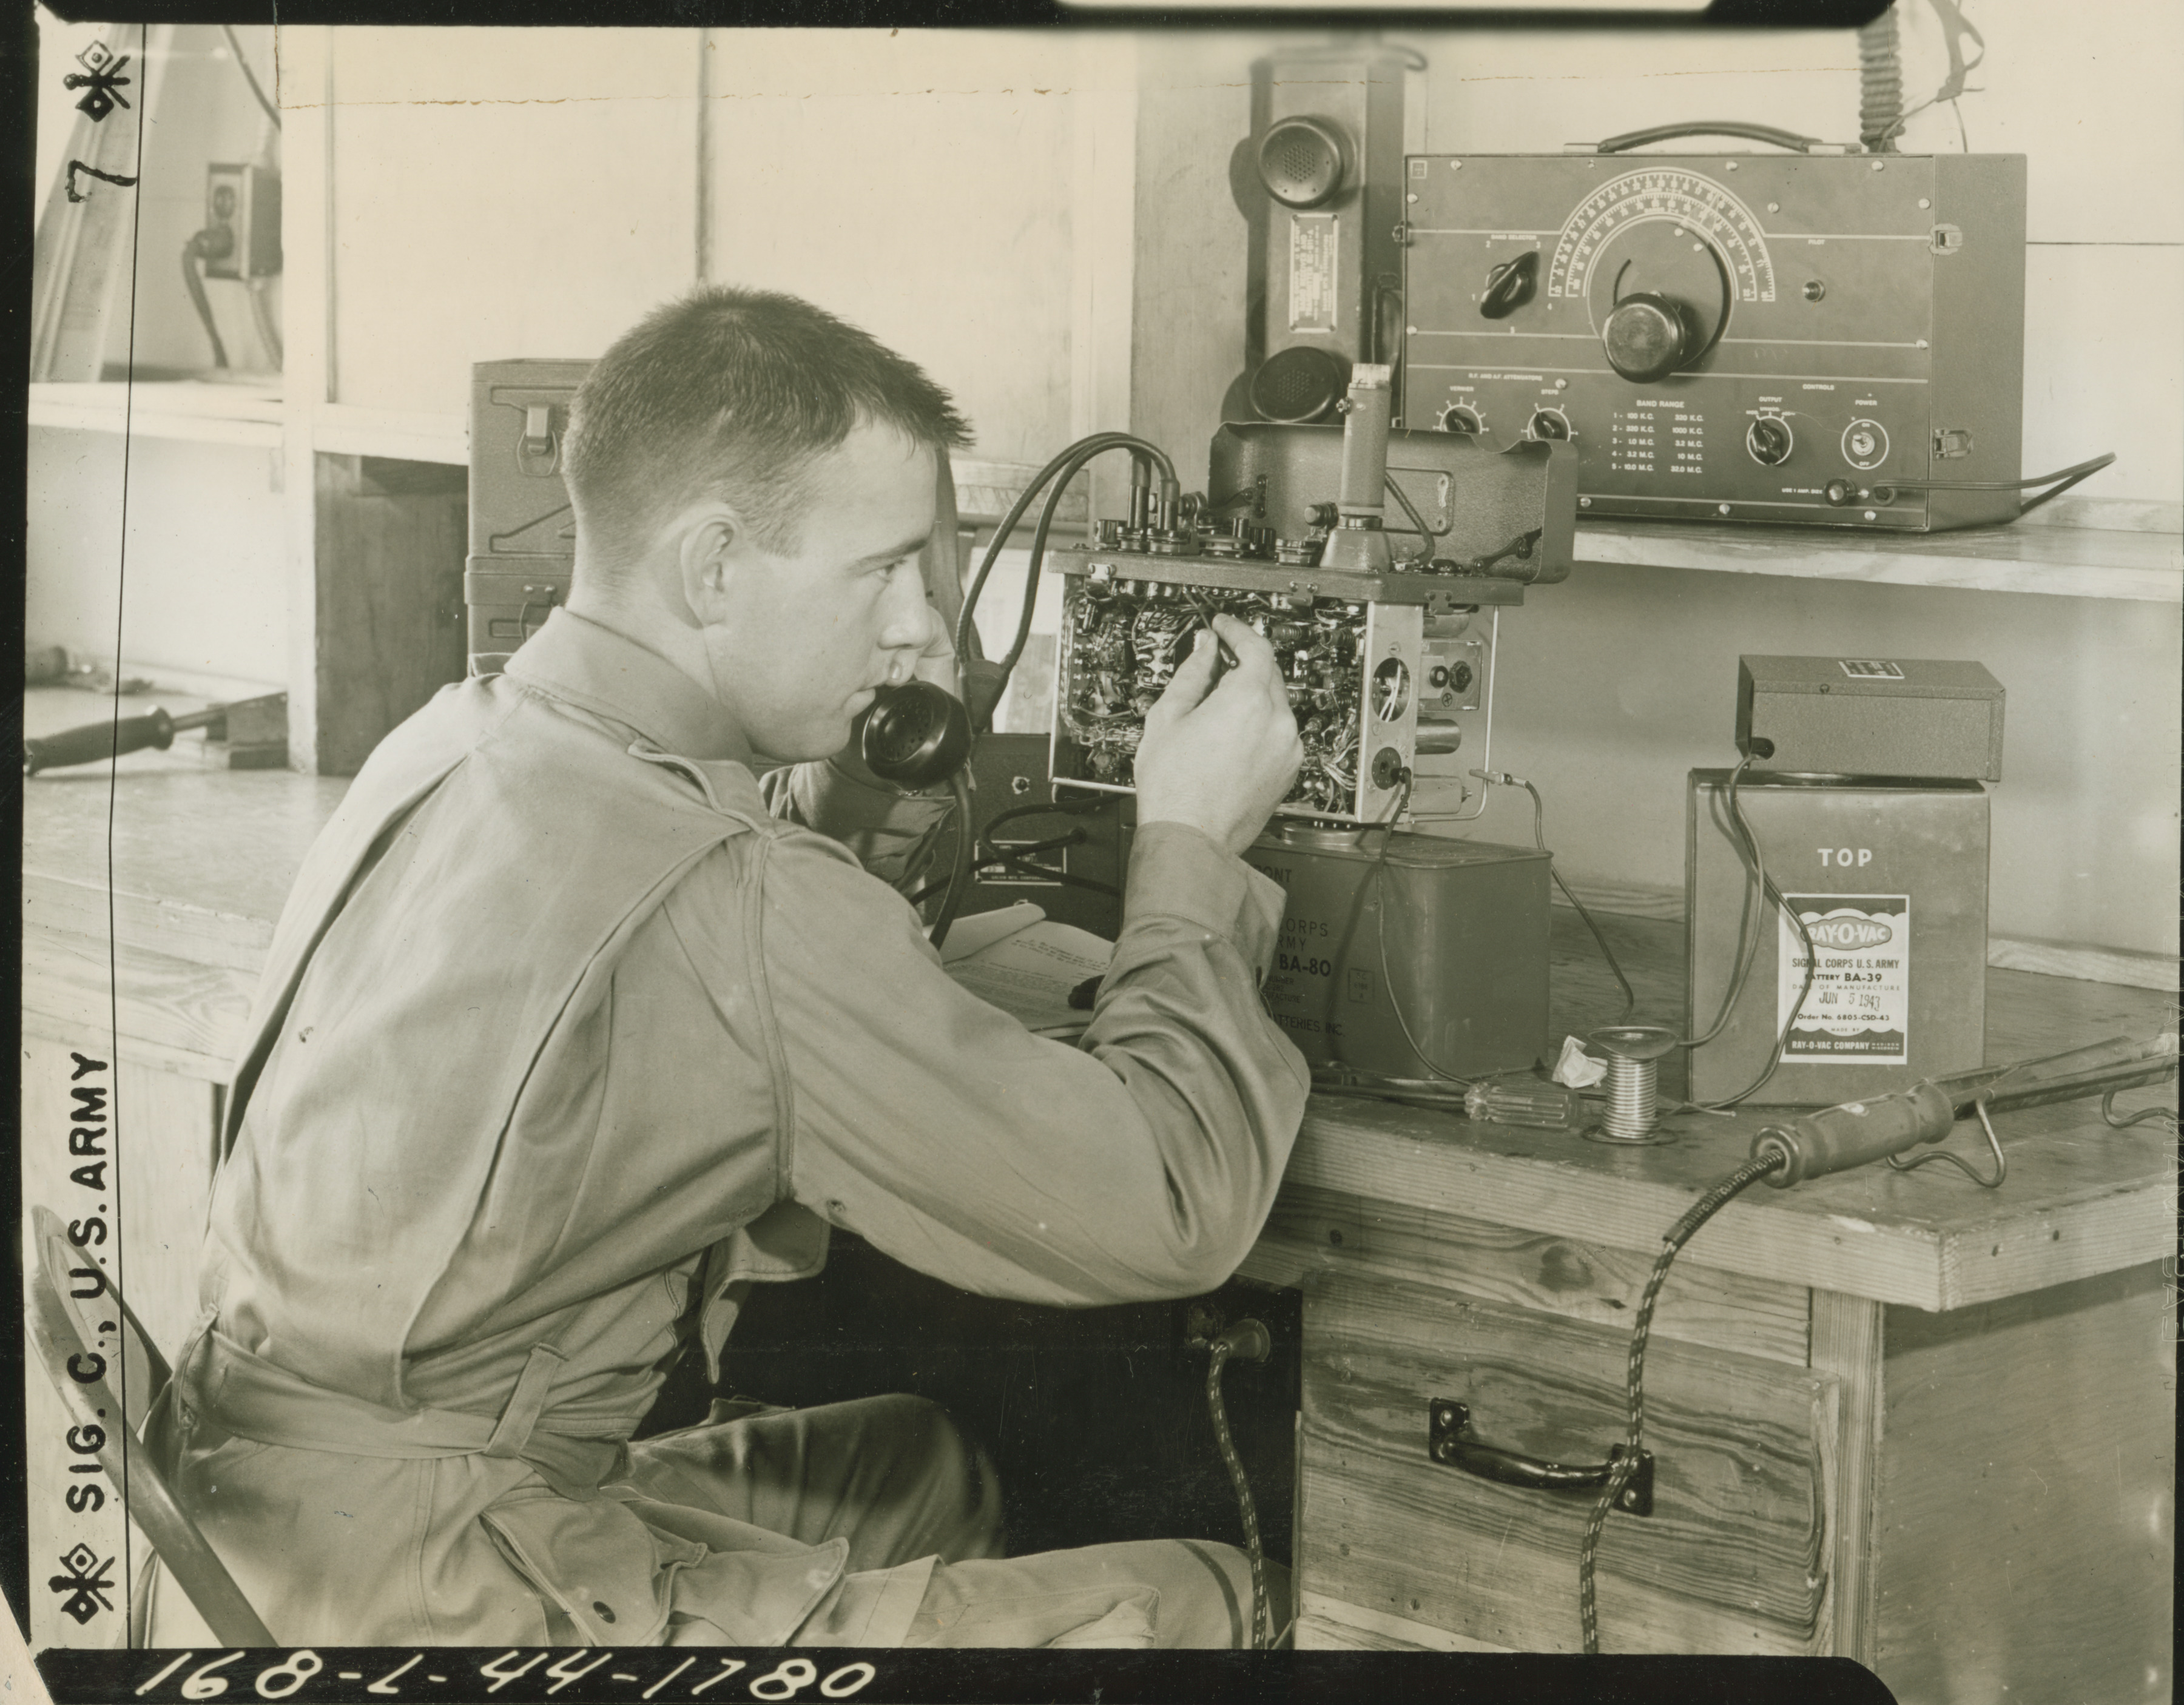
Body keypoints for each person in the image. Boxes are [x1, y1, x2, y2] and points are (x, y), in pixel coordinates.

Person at [143, 286, 1310, 1650]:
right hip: (447, 1594)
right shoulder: (742, 899)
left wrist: (830, 819)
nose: (924, 635)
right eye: (883, 572)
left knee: (923, 1459)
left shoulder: (458, 734)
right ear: (710, 569)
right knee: (1214, 1599)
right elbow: (1171, 1199)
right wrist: (1189, 845)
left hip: (264, 1515)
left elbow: (638, 983)